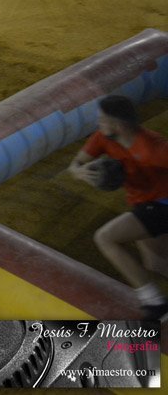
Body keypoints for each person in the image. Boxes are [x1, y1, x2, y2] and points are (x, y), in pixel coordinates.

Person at [67, 95, 168, 320]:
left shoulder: (154, 148)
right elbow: (75, 165)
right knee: (156, 264)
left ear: (119, 125)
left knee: (106, 238)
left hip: (162, 205)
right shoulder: (103, 138)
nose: (98, 123)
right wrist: (80, 173)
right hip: (142, 204)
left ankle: (155, 303)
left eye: (102, 120)